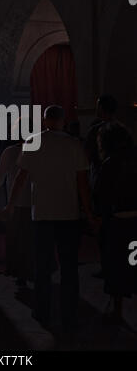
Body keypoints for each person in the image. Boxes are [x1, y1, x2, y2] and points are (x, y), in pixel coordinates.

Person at [6, 105, 95, 331]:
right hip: (68, 214)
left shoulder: (33, 142)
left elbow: (20, 178)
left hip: (42, 214)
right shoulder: (74, 145)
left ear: (45, 121)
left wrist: (11, 204)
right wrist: (89, 212)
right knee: (69, 268)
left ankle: (42, 311)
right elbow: (82, 184)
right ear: (63, 120)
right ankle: (69, 313)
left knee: (42, 267)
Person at [94, 122, 137, 326]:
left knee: (116, 267)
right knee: (133, 262)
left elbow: (101, 196)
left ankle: (118, 313)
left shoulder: (109, 164)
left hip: (118, 222)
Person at [0, 118, 33, 285]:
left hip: (17, 202)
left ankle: (19, 274)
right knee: (33, 240)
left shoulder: (9, 152)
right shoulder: (40, 149)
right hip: (37, 202)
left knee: (17, 239)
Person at [85, 94, 118, 278]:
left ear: (101, 109)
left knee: (102, 226)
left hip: (100, 183)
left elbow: (86, 157)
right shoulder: (123, 129)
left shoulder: (95, 130)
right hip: (120, 184)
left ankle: (106, 265)